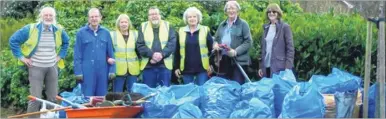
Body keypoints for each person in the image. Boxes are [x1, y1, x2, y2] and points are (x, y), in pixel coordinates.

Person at [9, 6, 69, 118]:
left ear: (54, 17)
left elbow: (66, 43)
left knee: (52, 98)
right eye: (45, 15)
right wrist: (22, 58)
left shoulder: (59, 30)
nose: (48, 17)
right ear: (41, 16)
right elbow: (13, 41)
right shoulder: (31, 29)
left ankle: (51, 117)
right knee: (35, 98)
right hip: (35, 67)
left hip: (52, 67)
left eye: (50, 15)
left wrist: (60, 55)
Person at [74, 8, 115, 96]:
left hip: (103, 72)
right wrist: (78, 72)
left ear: (100, 18)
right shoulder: (81, 33)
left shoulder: (106, 33)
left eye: (96, 16)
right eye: (91, 17)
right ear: (88, 19)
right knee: (87, 98)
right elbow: (77, 54)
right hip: (87, 72)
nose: (94, 19)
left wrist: (112, 70)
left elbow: (111, 53)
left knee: (102, 98)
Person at [212, 1, 252, 85]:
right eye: (229, 8)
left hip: (238, 62)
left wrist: (235, 52)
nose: (231, 11)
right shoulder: (222, 25)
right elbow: (216, 39)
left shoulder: (243, 24)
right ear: (226, 11)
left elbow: (248, 42)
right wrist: (215, 45)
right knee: (223, 86)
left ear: (237, 10)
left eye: (233, 8)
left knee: (236, 86)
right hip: (223, 61)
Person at [136, 6, 176, 88]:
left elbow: (172, 43)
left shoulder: (168, 25)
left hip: (165, 66)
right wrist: (152, 55)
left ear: (160, 15)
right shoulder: (143, 26)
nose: (154, 16)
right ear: (148, 16)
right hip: (148, 65)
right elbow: (140, 45)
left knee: (164, 92)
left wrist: (161, 54)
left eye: (156, 14)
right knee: (149, 93)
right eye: (151, 14)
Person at [174, 7, 213, 86]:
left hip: (202, 69)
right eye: (190, 17)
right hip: (186, 69)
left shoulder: (205, 30)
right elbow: (177, 51)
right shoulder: (180, 31)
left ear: (198, 18)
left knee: (202, 93)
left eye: (194, 16)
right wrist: (176, 67)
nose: (192, 19)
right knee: (189, 94)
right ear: (186, 19)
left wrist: (211, 65)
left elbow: (211, 49)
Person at [258, 3, 295, 78]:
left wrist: (288, 68)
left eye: (274, 11)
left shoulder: (285, 27)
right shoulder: (266, 28)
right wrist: (261, 67)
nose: (271, 13)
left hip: (279, 68)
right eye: (269, 12)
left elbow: (290, 49)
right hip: (266, 67)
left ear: (278, 13)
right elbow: (262, 49)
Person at [110, 14, 140, 92]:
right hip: (118, 70)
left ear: (129, 23)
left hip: (133, 69)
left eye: (125, 22)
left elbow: (140, 50)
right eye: (121, 22)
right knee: (117, 94)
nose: (124, 24)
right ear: (118, 24)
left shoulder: (135, 34)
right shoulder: (112, 35)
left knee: (133, 93)